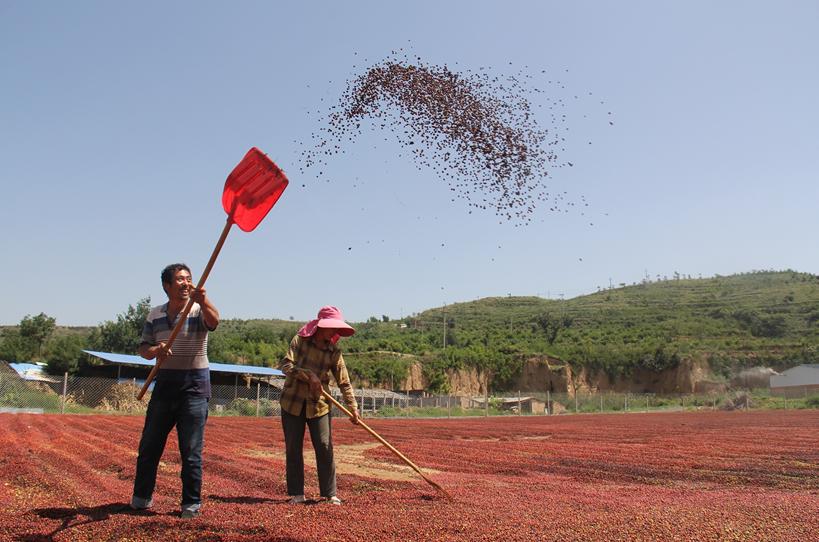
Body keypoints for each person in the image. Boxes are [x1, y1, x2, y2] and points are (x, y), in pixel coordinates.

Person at [130, 263, 219, 519]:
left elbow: (215, 322)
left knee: (191, 451)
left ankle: (191, 504)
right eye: (179, 279)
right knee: (149, 446)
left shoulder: (198, 309)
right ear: (167, 286)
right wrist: (156, 351)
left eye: (188, 279)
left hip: (194, 386)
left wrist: (204, 300)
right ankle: (141, 499)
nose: (185, 283)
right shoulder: (155, 314)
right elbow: (143, 349)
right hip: (165, 385)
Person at [279, 306, 360, 505]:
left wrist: (353, 407)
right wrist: (308, 375)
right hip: (293, 402)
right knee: (293, 447)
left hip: (319, 404)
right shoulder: (300, 341)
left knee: (324, 445)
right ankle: (297, 493)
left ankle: (329, 493)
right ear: (320, 326)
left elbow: (344, 381)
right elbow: (285, 366)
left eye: (336, 329)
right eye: (331, 328)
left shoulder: (334, 352)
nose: (334, 332)